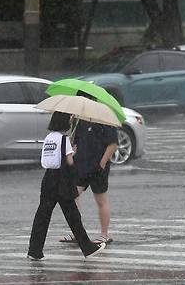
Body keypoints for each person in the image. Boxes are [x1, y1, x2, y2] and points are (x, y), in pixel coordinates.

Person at [27, 112, 106, 260]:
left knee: (42, 216)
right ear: (64, 122)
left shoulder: (48, 138)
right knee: (73, 216)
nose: (71, 121)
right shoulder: (64, 140)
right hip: (62, 180)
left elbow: (47, 159)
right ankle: (88, 248)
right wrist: (72, 151)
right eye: (69, 118)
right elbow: (69, 162)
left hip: (48, 178)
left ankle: (34, 250)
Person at [59, 91, 118, 245]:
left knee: (101, 200)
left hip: (98, 167)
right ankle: (76, 233)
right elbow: (74, 142)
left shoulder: (103, 116)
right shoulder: (78, 119)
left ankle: (104, 235)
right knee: (72, 198)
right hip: (81, 165)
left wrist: (102, 163)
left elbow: (113, 144)